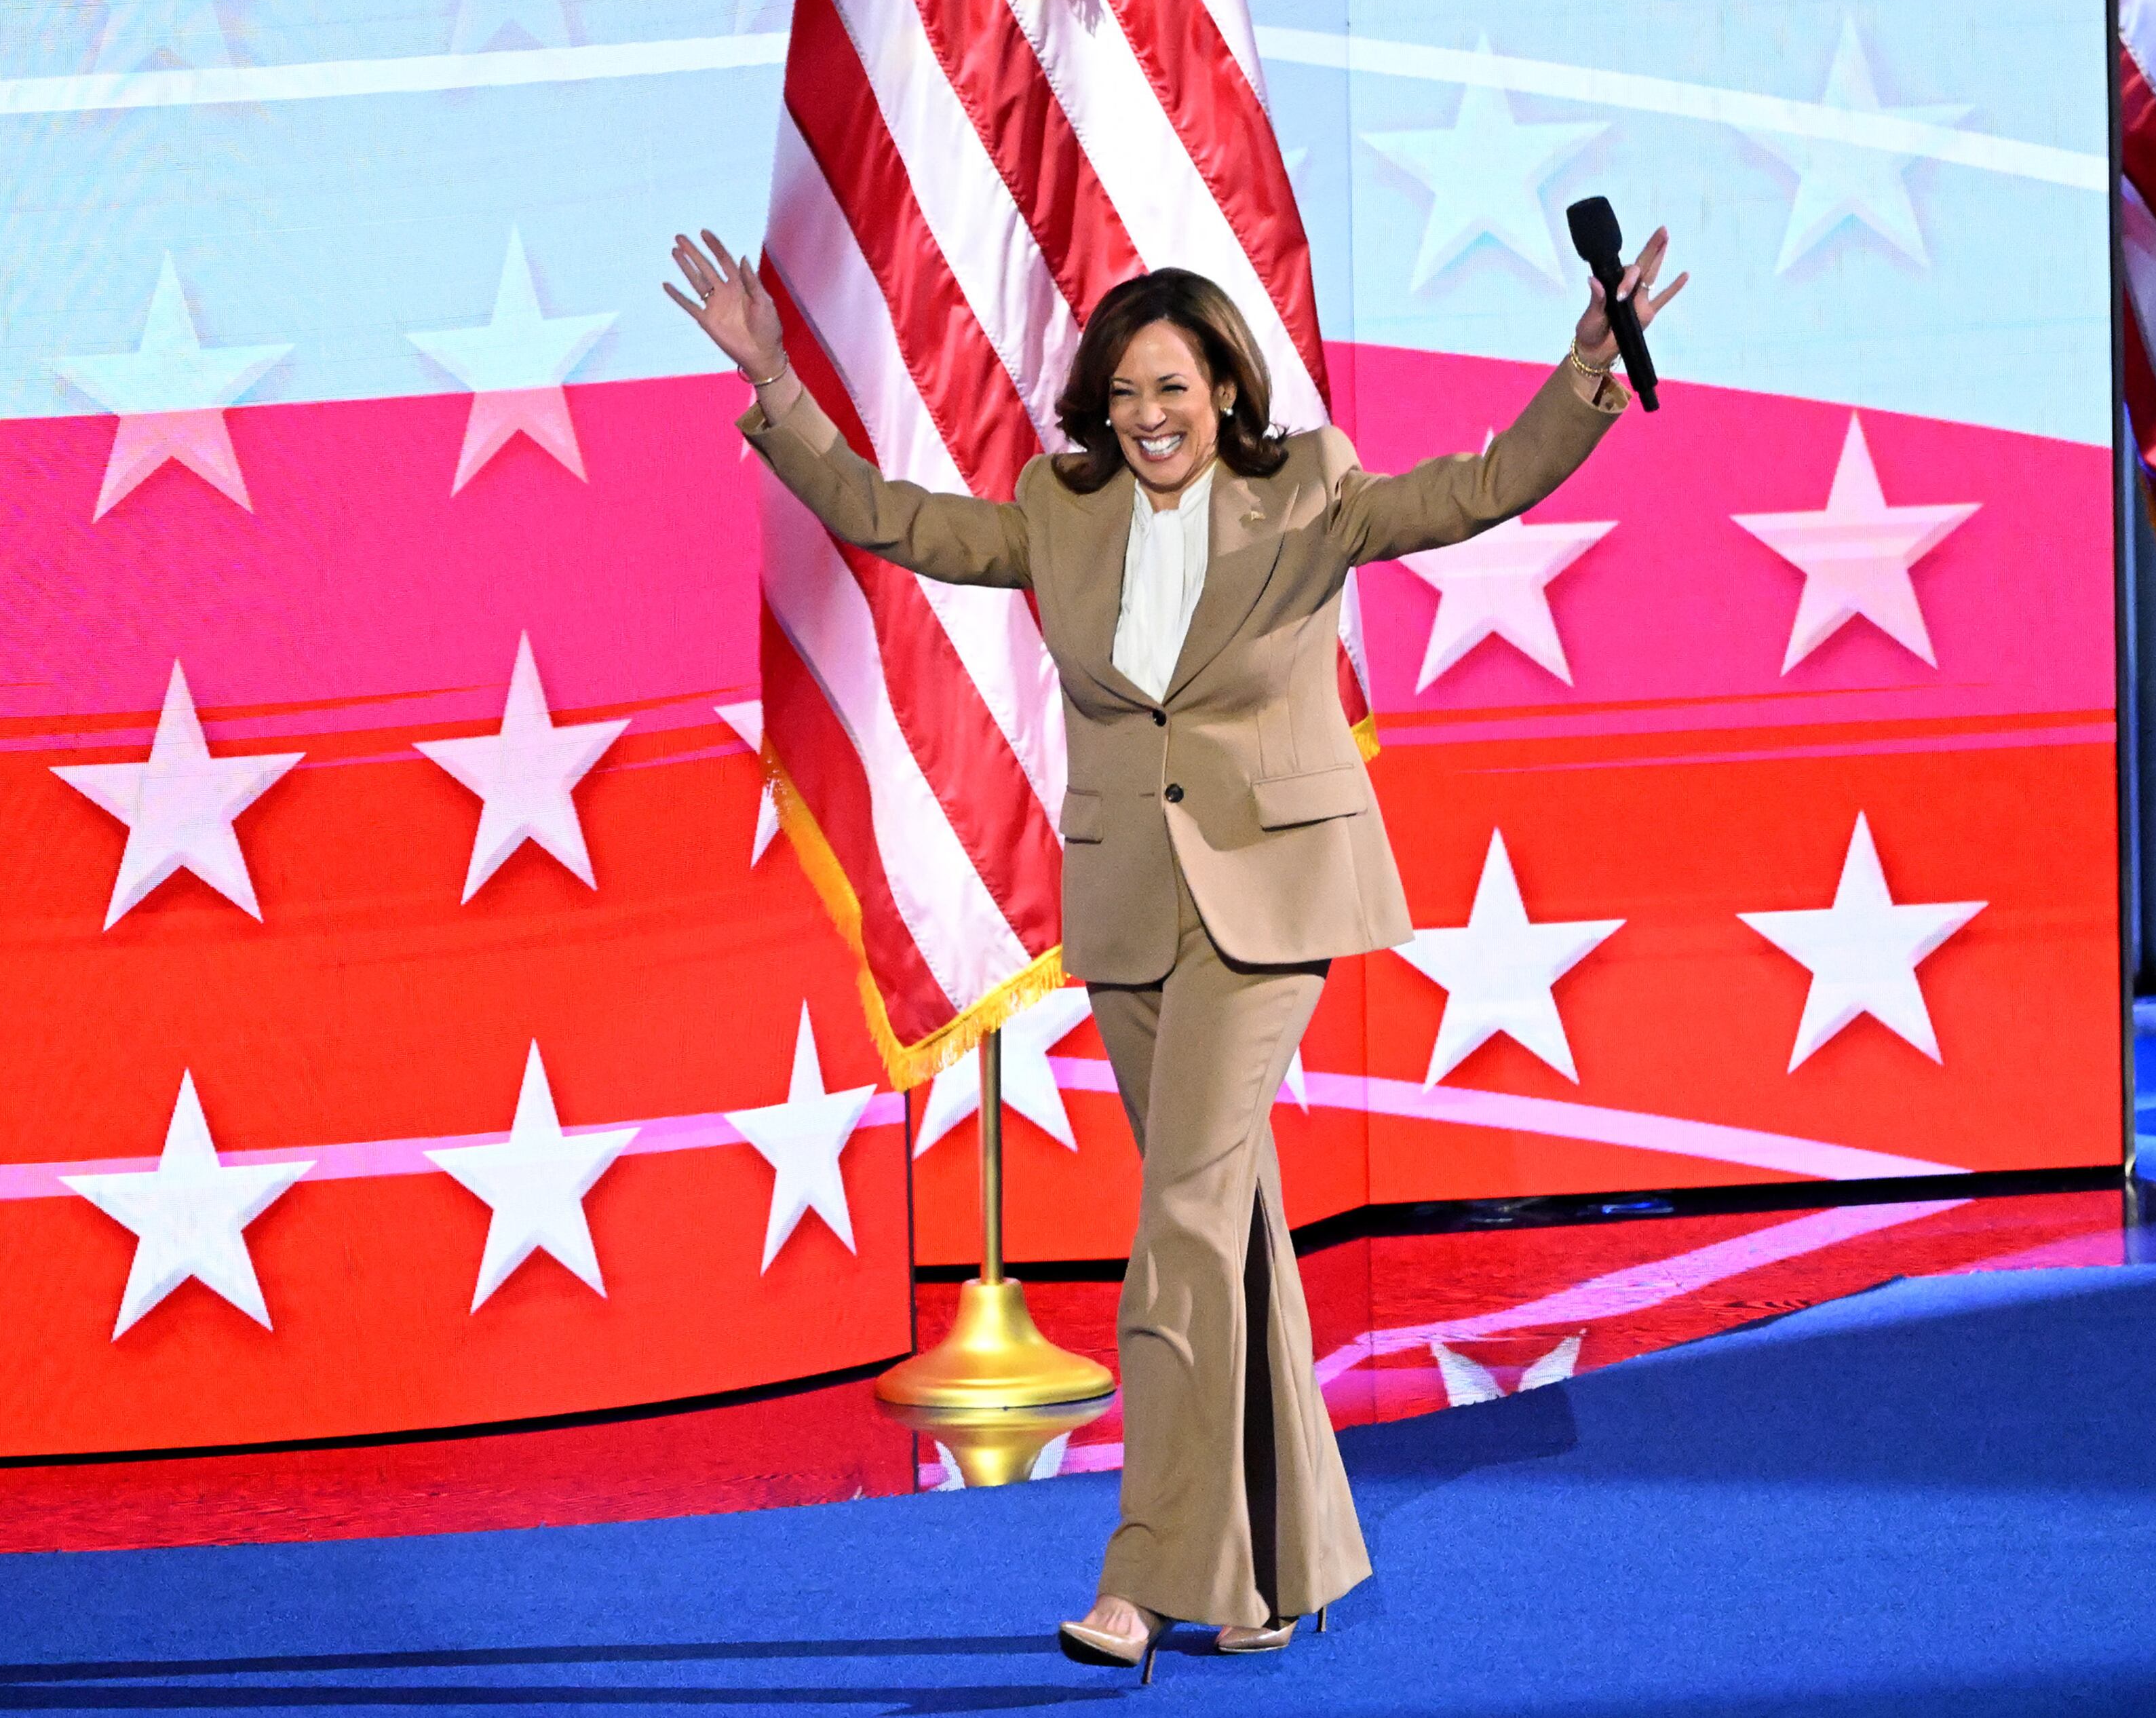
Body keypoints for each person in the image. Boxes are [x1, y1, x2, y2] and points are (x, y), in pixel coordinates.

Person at [666, 227, 1683, 1678]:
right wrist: (775, 385)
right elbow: (896, 522)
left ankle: (1143, 1577)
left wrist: (1584, 376)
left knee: (1181, 1230)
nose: (1150, 415)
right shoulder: (1059, 510)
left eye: (1175, 388)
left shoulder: (1308, 488)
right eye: (1128, 391)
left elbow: (1475, 490)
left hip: (1270, 904)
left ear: (1225, 391)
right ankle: (1277, 1568)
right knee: (1231, 1235)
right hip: (1133, 909)